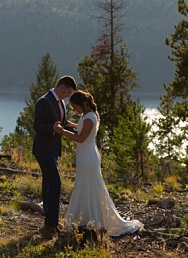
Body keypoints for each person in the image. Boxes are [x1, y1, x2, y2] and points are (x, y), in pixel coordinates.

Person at [56, 90, 142, 237]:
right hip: (86, 155)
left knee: (89, 185)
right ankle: (86, 217)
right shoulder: (87, 115)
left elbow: (81, 138)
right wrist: (71, 124)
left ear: (83, 104)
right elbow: (82, 128)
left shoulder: (90, 117)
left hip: (88, 157)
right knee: (85, 185)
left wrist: (62, 131)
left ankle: (92, 219)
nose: (75, 111)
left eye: (75, 107)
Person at [32, 75, 78, 236]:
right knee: (55, 183)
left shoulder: (61, 103)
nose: (68, 96)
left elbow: (63, 122)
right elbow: (37, 125)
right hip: (43, 150)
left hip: (53, 150)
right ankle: (51, 223)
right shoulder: (44, 101)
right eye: (69, 93)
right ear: (62, 87)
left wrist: (79, 129)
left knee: (48, 184)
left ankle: (49, 221)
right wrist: (52, 127)